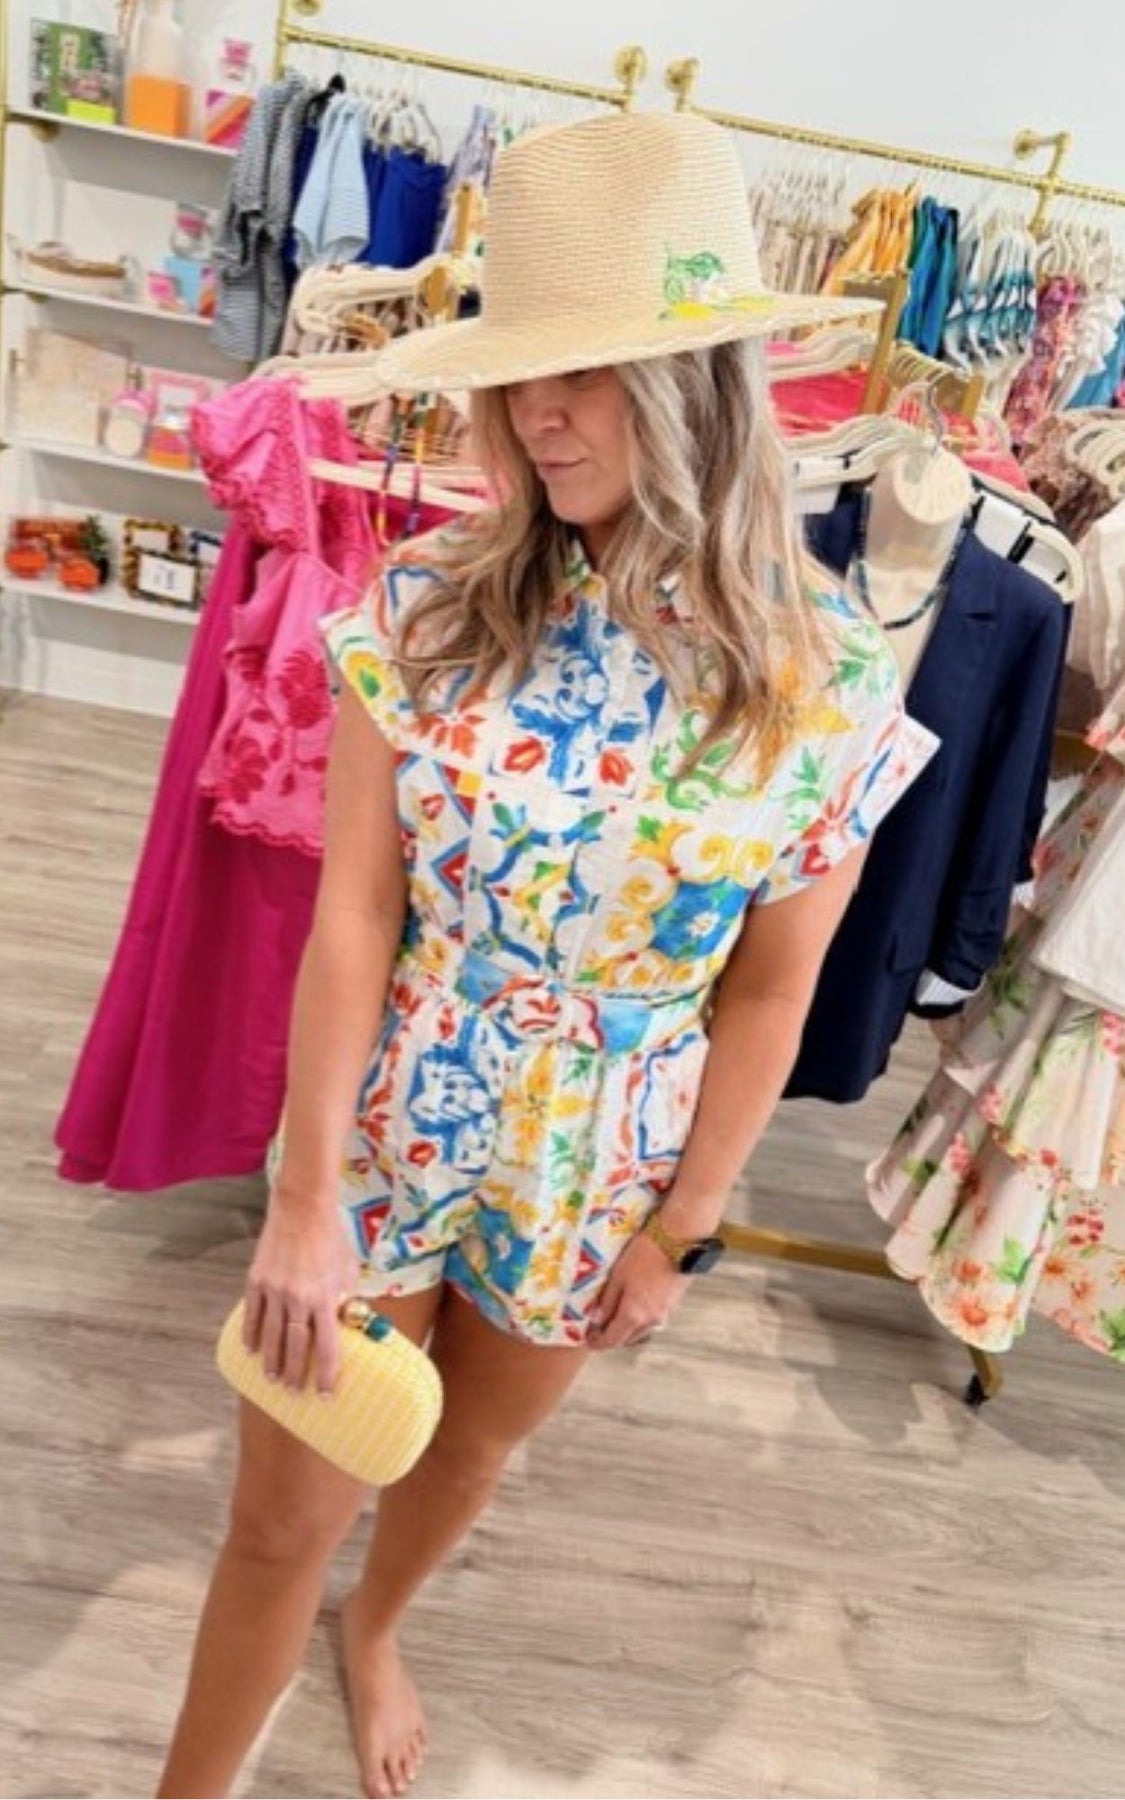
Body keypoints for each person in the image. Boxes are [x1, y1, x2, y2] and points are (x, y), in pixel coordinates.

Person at [157, 110, 937, 1800]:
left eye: (586, 373)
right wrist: (302, 1196)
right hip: (393, 1111)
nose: (537, 414)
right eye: (522, 375)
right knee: (281, 1510)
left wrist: (685, 1227)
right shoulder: (432, 604)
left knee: (465, 1450)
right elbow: (354, 914)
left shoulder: (822, 682)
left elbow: (771, 988)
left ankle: (379, 1630)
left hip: (608, 1149)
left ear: (698, 386)